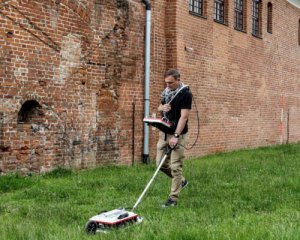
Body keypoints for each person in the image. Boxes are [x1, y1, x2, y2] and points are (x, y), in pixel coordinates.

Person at [157, 69, 192, 207]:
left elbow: (184, 117)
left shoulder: (185, 94)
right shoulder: (166, 92)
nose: (168, 85)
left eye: (170, 83)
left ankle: (173, 199)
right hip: (164, 132)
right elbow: (159, 106)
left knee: (176, 167)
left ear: (178, 80)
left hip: (178, 134)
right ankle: (181, 181)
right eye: (166, 82)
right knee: (160, 163)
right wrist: (162, 108)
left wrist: (176, 136)